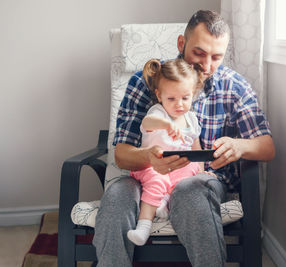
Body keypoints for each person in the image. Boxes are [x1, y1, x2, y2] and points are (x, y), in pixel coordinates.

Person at [93, 10, 275, 267]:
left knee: (190, 192)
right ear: (181, 43)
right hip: (145, 176)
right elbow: (122, 154)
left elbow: (267, 147)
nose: (207, 65)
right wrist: (148, 158)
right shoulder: (147, 81)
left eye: (217, 57)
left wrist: (240, 145)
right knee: (116, 198)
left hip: (201, 181)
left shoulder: (235, 87)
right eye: (199, 53)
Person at [127, 58, 206, 246]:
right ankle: (144, 227)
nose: (179, 104)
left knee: (191, 177)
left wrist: (201, 169)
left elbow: (196, 148)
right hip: (153, 167)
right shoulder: (158, 113)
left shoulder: (191, 120)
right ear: (159, 95)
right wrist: (166, 124)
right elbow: (147, 123)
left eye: (185, 98)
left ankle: (166, 200)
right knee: (157, 180)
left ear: (193, 94)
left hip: (179, 170)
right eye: (171, 99)